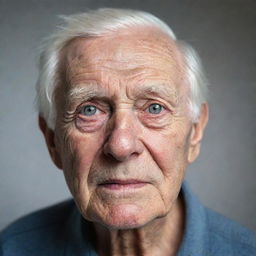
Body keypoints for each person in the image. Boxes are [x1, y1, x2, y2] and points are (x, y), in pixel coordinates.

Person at [0, 8, 255, 256]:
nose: (121, 146)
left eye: (155, 108)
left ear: (195, 132)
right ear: (53, 140)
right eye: (89, 110)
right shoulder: (11, 249)